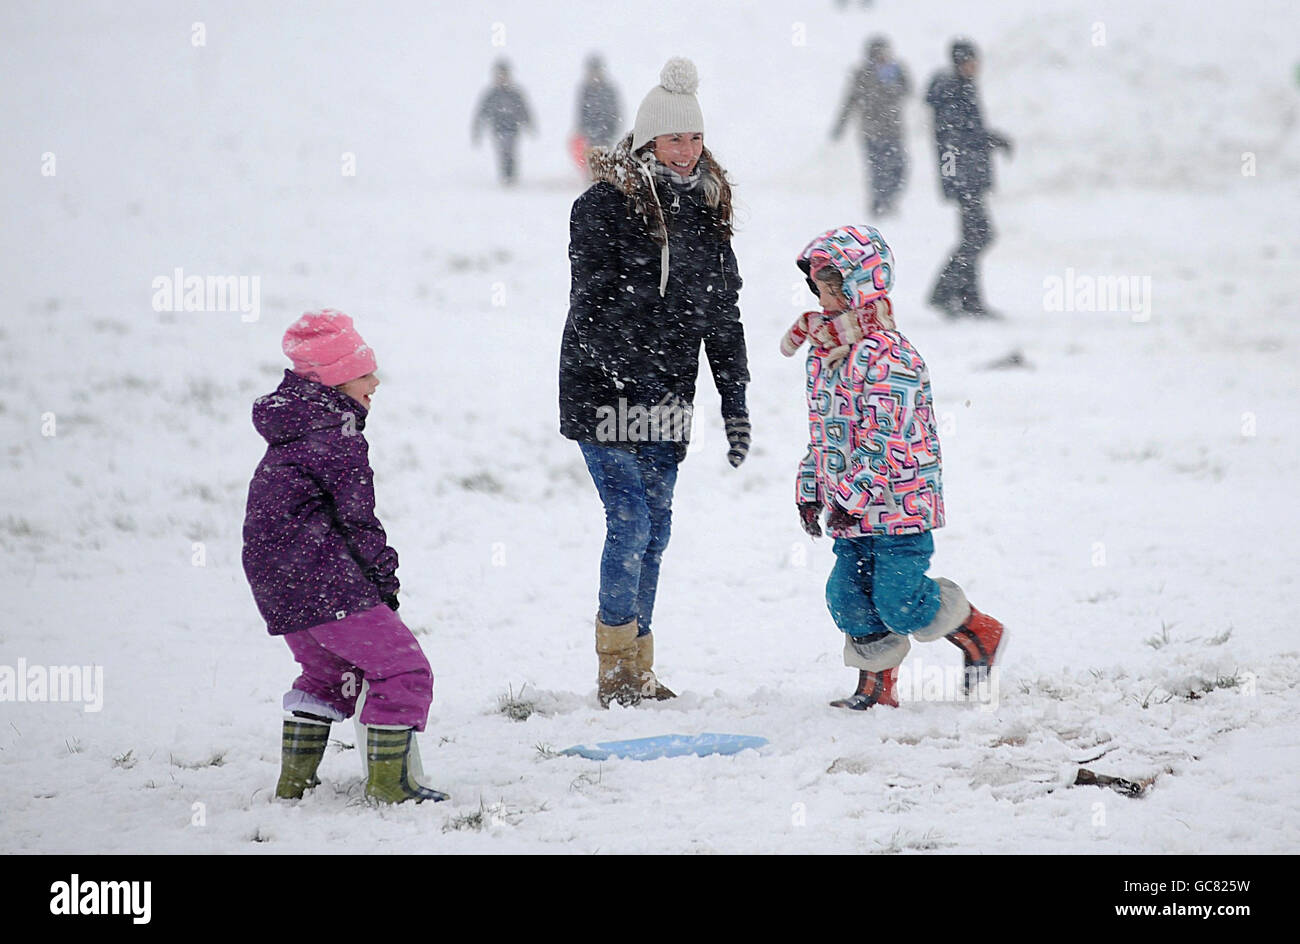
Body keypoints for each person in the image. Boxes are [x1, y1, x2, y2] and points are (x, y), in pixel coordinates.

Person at [559, 58, 750, 708]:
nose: (686, 150)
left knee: (658, 527)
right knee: (632, 520)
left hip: (669, 395)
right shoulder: (603, 208)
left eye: (694, 138)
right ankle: (614, 673)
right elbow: (588, 311)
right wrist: (625, 374)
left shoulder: (708, 210)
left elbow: (723, 319)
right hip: (602, 393)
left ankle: (641, 667)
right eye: (673, 139)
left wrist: (736, 403)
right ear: (646, 141)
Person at [781, 225, 1006, 709]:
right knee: (847, 595)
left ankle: (978, 631)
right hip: (849, 504)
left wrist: (851, 498)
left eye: (839, 283)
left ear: (867, 283)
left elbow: (889, 441)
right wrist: (811, 488)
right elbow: (824, 431)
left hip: (899, 501)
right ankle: (876, 686)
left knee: (899, 598)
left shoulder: (890, 355)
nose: (829, 294)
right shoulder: (824, 352)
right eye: (821, 284)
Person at [243, 309, 447, 804]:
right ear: (334, 378)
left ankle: (295, 784)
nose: (374, 381)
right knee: (403, 671)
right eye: (363, 372)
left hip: (277, 580)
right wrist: (383, 582)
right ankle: (389, 787)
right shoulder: (334, 435)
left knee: (329, 674)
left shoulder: (297, 429)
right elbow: (357, 522)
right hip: (326, 578)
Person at [925, 39, 1013, 318]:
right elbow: (956, 136)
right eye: (971, 60)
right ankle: (944, 293)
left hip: (967, 174)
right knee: (980, 235)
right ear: (960, 62)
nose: (976, 66)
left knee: (974, 236)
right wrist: (991, 139)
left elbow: (964, 133)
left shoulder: (962, 87)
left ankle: (969, 300)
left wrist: (986, 140)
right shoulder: (952, 90)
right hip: (962, 175)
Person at [832, 36, 911, 216]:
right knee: (878, 170)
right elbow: (849, 100)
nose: (883, 57)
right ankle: (879, 204)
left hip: (894, 131)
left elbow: (908, 91)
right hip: (872, 132)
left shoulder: (896, 71)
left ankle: (890, 200)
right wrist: (840, 126)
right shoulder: (862, 74)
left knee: (899, 168)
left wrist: (896, 78)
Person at [471, 59, 535, 185]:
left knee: (511, 151)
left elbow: (524, 109)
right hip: (498, 129)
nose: (502, 78)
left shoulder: (515, 93)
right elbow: (482, 112)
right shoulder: (491, 94)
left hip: (512, 128)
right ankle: (505, 175)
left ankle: (511, 175)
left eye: (504, 74)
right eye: (499, 75)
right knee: (502, 151)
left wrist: (529, 124)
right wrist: (477, 129)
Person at [575, 54, 622, 149]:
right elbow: (581, 114)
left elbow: (615, 114)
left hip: (607, 138)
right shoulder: (585, 91)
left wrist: (610, 134)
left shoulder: (608, 90)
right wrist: (585, 132)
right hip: (590, 140)